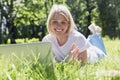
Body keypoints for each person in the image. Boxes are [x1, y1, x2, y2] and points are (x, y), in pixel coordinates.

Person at [42, 4, 107, 64]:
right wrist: (68, 61)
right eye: (55, 22)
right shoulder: (47, 41)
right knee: (88, 42)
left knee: (100, 51)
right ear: (49, 23)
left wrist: (72, 63)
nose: (58, 26)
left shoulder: (78, 38)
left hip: (95, 55)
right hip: (84, 45)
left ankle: (96, 33)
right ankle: (92, 36)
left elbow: (83, 65)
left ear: (69, 24)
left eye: (63, 22)